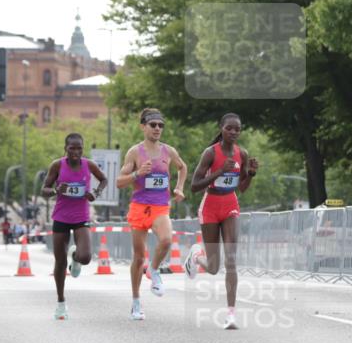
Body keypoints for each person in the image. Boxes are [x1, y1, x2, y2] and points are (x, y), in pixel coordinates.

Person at [185, 113, 259, 330]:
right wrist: (219, 171)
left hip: (230, 206)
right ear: (222, 128)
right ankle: (197, 257)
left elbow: (241, 188)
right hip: (210, 206)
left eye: (237, 129)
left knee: (231, 260)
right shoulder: (210, 153)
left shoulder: (241, 153)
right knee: (214, 267)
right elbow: (195, 186)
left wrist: (251, 174)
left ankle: (231, 315)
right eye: (229, 128)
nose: (234, 132)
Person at [115, 108, 188, 321]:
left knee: (166, 240)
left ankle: (154, 270)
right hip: (139, 206)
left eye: (160, 125)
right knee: (138, 258)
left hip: (159, 206)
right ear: (143, 127)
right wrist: (138, 173)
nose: (157, 128)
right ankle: (136, 302)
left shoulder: (169, 151)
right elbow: (119, 182)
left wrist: (180, 187)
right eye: (153, 124)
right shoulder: (135, 152)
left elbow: (182, 168)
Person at [42, 133, 108, 320]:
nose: (76, 152)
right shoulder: (57, 165)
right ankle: (61, 302)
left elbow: (103, 179)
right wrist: (56, 190)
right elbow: (44, 190)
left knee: (86, 257)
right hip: (61, 217)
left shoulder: (89, 165)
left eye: (79, 148)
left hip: (81, 217)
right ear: (66, 149)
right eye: (72, 148)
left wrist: (96, 192)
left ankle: (76, 257)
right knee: (60, 262)